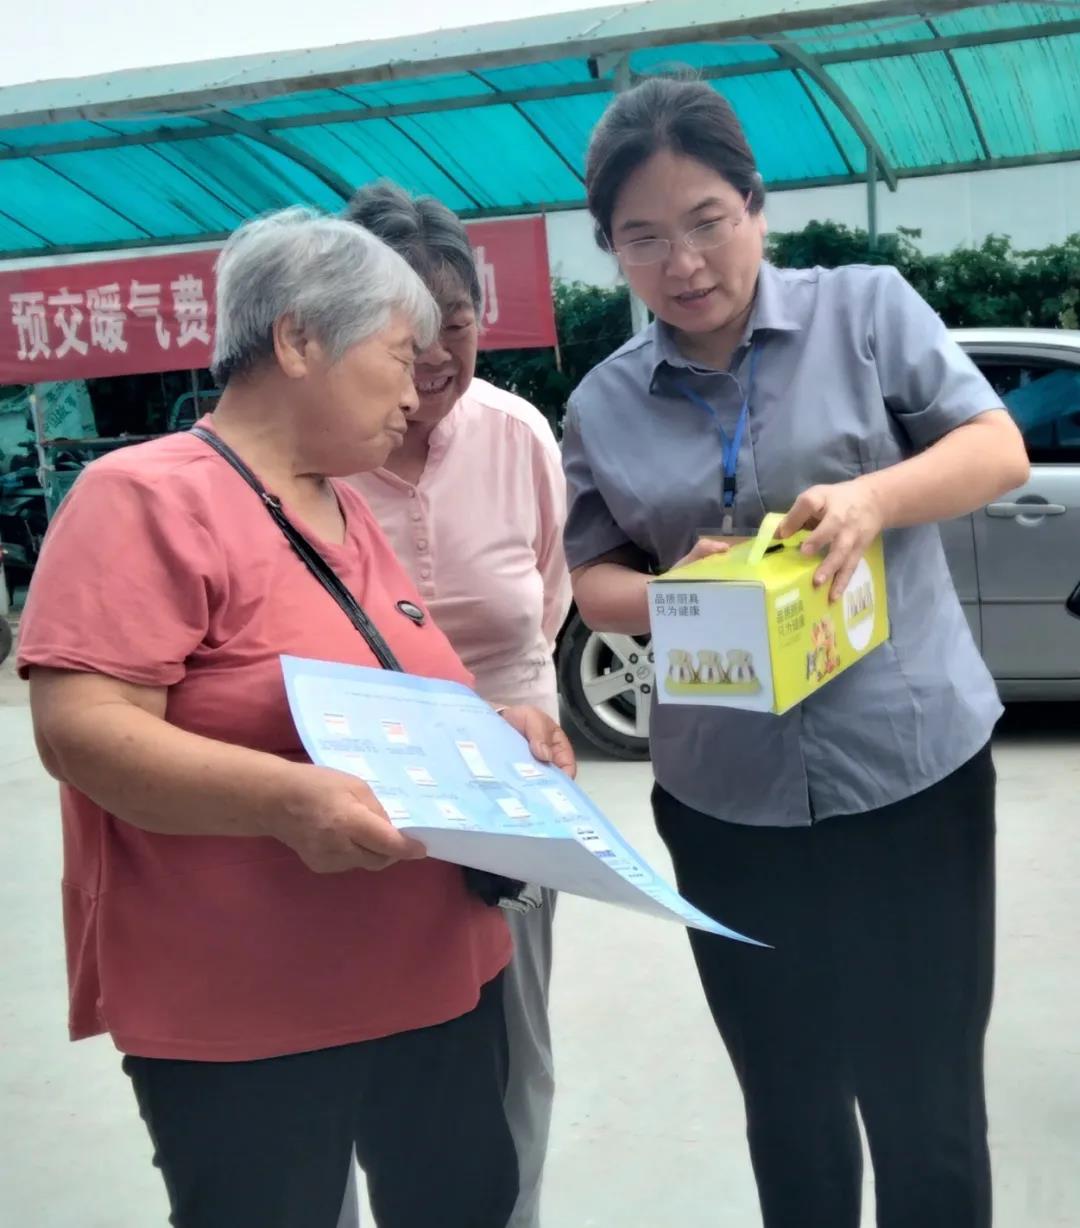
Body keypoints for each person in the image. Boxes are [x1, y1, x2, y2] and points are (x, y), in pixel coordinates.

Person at [17, 207, 575, 1228]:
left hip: (438, 980)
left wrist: (497, 729)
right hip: (254, 1010)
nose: (414, 391)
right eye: (399, 357)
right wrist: (285, 800)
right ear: (300, 339)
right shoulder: (142, 497)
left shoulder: (341, 504)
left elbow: (384, 687)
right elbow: (81, 726)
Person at [561, 78, 1030, 1228]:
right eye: (644, 237)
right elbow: (588, 580)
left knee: (927, 1108)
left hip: (908, 772)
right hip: (726, 800)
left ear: (756, 206)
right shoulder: (603, 403)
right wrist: (676, 592)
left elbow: (995, 447)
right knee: (790, 1106)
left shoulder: (866, 310)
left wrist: (873, 498)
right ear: (611, 248)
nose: (684, 262)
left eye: (708, 220)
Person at [340, 180, 571, 1228]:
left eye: (458, 323)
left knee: (513, 1051)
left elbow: (545, 604)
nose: (434, 355)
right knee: (355, 1051)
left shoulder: (518, 435)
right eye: (405, 330)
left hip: (510, 794)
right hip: (356, 795)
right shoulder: (313, 456)